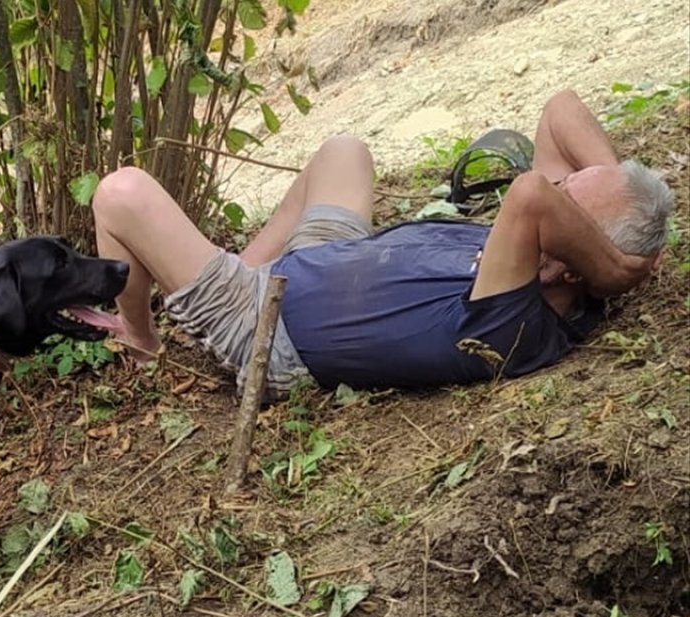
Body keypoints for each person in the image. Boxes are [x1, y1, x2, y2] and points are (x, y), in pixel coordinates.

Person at [91, 90, 673, 396]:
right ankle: (206, 274)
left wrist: (616, 267)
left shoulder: (516, 323)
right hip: (330, 259)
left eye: (568, 196)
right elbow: (559, 110)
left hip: (271, 328)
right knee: (343, 151)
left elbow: (528, 195)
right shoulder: (553, 262)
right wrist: (615, 204)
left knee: (121, 192)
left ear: (576, 267)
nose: (554, 184)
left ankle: (142, 342)